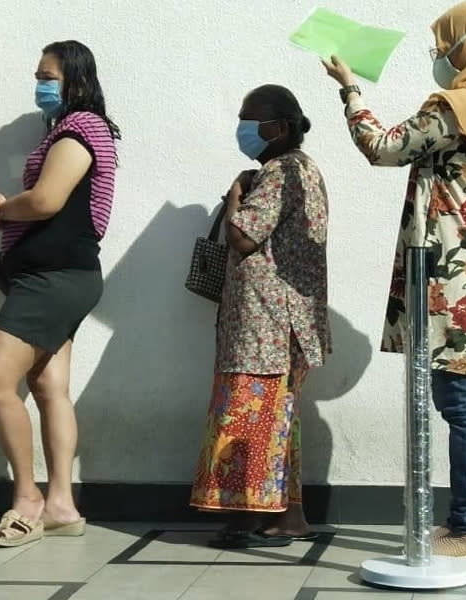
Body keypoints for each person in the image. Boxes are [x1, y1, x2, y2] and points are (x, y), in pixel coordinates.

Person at [321, 0, 466, 565]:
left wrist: (349, 90)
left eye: (445, 44)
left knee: (461, 401)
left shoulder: (454, 106)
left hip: (447, 274)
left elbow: (384, 148)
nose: (439, 55)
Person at [0, 40, 120, 547]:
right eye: (37, 74)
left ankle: (27, 500)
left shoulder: (80, 130)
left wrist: (1, 209)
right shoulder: (75, 130)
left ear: (76, 80)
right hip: (66, 276)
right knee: (48, 389)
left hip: (52, 279)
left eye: (48, 75)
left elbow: (45, 200)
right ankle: (61, 504)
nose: (39, 83)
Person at [189, 84, 332, 549]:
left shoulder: (282, 173)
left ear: (279, 126)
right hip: (279, 325)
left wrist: (235, 193)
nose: (244, 128)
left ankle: (249, 514)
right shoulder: (301, 170)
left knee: (250, 416)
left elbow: (244, 237)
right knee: (277, 419)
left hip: (265, 328)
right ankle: (288, 517)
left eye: (251, 119)